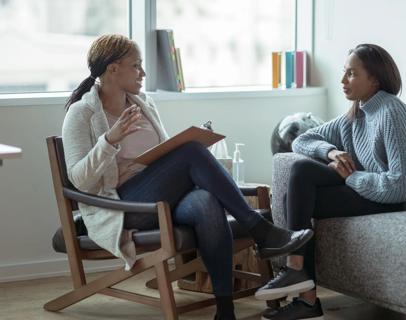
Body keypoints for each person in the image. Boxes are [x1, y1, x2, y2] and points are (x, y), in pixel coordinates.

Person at [61, 34, 313, 320]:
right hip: (122, 206)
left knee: (205, 200)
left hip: (160, 197)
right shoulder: (82, 114)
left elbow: (163, 155)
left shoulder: (142, 103)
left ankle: (225, 310)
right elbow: (79, 180)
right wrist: (109, 140)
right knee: (191, 151)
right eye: (136, 65)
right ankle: (261, 231)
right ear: (113, 68)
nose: (143, 73)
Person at [254, 44, 406, 320]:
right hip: (371, 189)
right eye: (344, 73)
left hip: (398, 199)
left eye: (352, 74)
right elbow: (301, 140)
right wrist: (331, 151)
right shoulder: (355, 114)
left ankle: (302, 289)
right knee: (300, 178)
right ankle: (300, 282)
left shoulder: (391, 112)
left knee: (298, 194)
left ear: (375, 80)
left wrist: (353, 177)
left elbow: (402, 185)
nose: (343, 81)